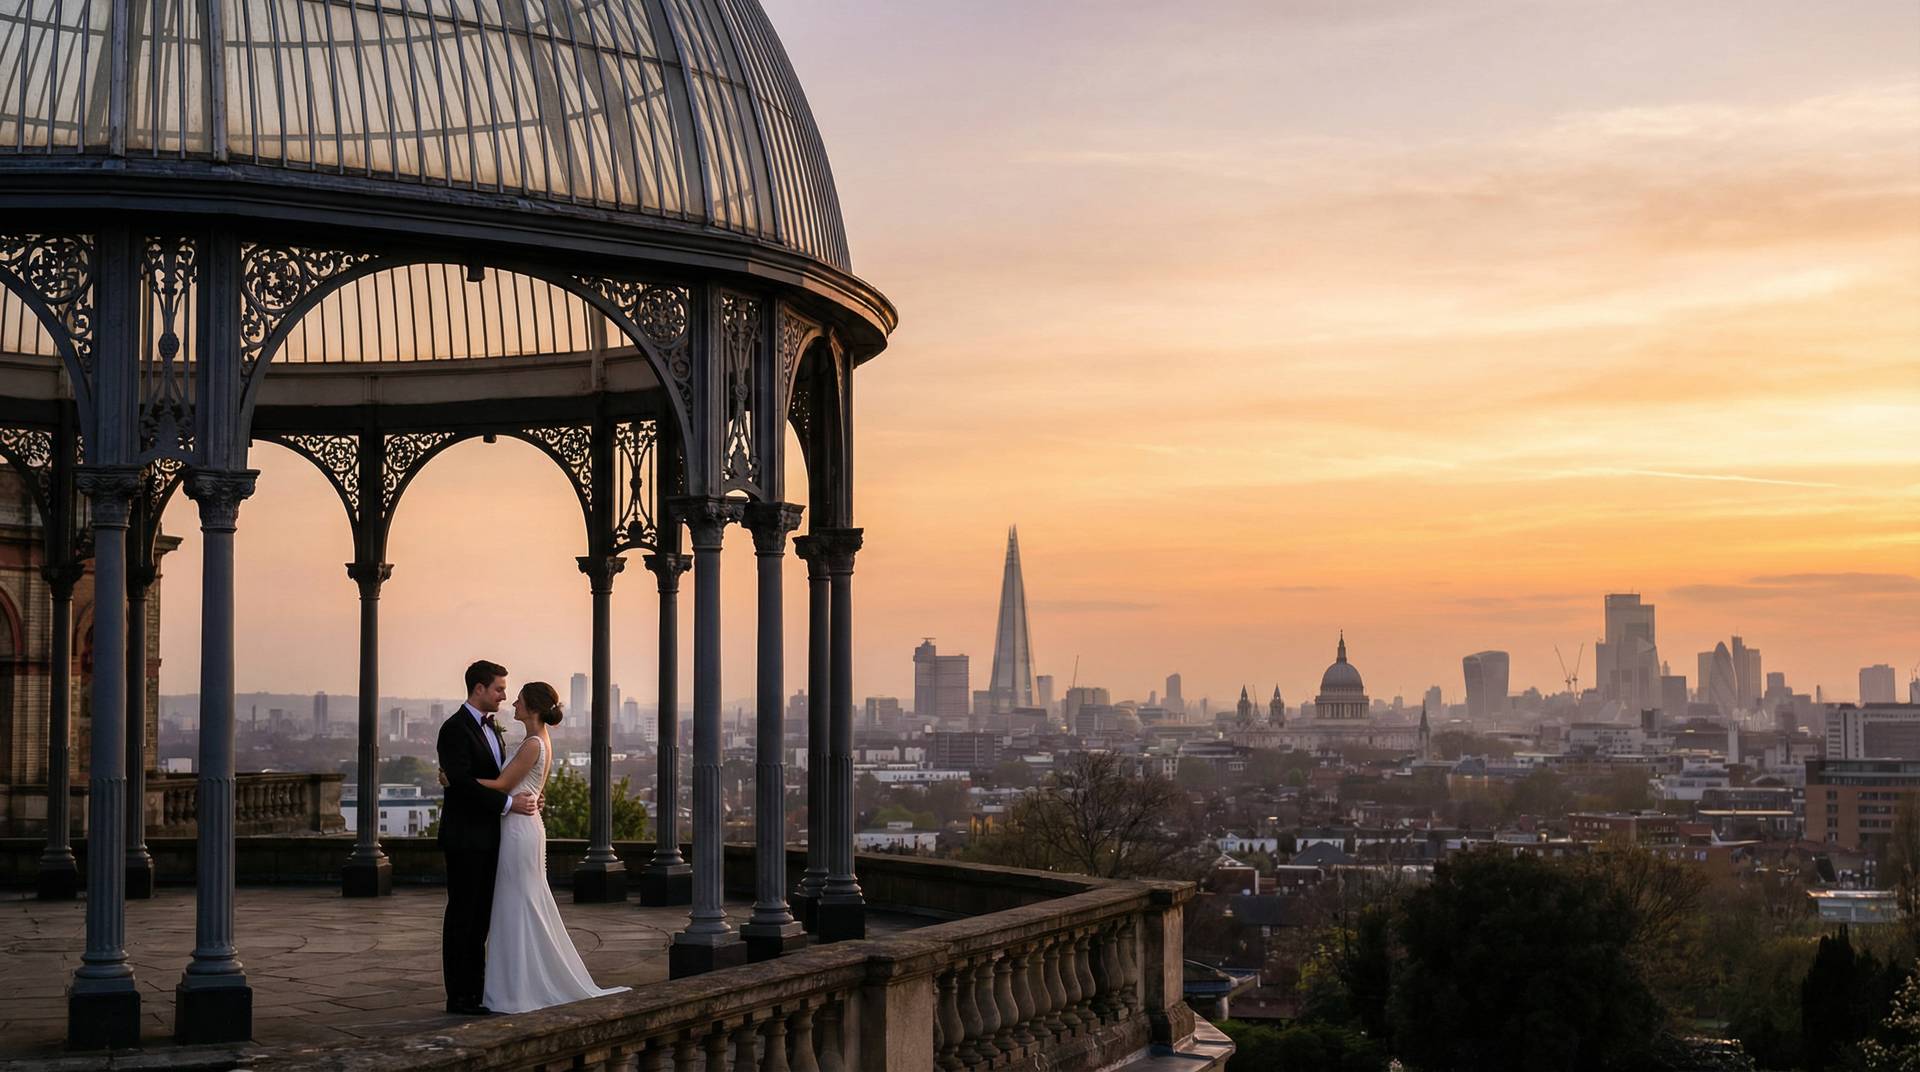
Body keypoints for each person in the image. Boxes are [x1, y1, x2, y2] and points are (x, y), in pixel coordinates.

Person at [471, 680, 629, 1013]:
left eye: (519, 700)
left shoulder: (532, 743)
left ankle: (518, 987)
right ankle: (519, 981)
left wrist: (456, 782)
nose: (513, 703)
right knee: (521, 901)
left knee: (516, 902)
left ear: (532, 708)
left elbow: (501, 784)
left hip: (518, 829)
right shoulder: (540, 740)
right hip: (523, 825)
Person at [436, 660, 541, 1016]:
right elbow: (462, 785)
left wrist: (527, 794)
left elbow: (501, 777)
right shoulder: (454, 729)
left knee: (481, 917)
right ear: (478, 689)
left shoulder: (492, 728)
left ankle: (478, 990)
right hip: (465, 837)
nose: (504, 695)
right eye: (498, 689)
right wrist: (511, 803)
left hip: (491, 836)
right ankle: (460, 996)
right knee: (463, 916)